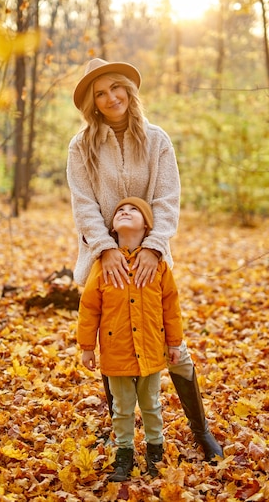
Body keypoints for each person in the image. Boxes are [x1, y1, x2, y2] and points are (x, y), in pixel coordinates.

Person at [67, 57, 223, 463]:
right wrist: (107, 249)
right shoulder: (81, 146)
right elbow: (83, 206)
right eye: (100, 94)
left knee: (175, 350)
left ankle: (200, 430)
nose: (110, 97)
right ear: (93, 104)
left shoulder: (157, 140)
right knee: (113, 339)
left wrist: (154, 246)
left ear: (129, 90)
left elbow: (167, 199)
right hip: (105, 257)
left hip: (152, 257)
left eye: (115, 87)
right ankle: (121, 436)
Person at [77, 197, 184, 481]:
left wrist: (173, 343)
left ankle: (155, 451)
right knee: (121, 407)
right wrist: (87, 347)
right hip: (116, 350)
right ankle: (124, 454)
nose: (125, 211)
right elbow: (89, 307)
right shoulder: (103, 265)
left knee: (151, 404)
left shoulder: (158, 267)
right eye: (120, 210)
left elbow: (170, 307)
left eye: (133, 210)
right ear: (112, 226)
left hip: (150, 349)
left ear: (147, 224)